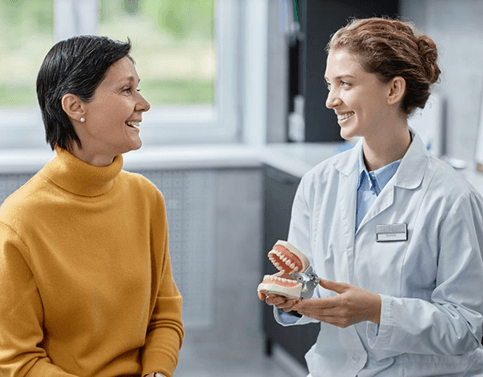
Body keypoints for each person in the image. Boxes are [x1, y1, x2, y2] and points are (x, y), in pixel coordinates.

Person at [259, 17, 483, 376]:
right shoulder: (318, 184)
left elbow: (468, 328)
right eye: (329, 84)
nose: (331, 100)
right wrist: (292, 300)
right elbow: (312, 286)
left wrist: (378, 310)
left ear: (393, 90)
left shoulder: (452, 199)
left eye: (345, 84)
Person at [0, 36, 183, 377]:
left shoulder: (146, 199)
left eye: (137, 88)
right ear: (75, 107)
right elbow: (17, 362)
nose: (143, 104)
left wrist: (157, 372)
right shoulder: (19, 222)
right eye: (126, 90)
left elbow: (165, 315)